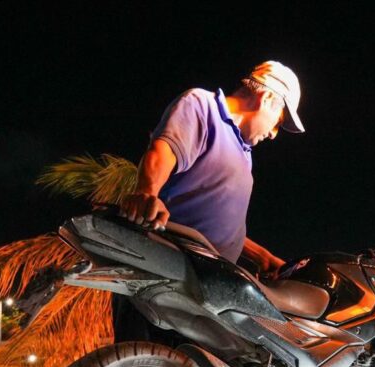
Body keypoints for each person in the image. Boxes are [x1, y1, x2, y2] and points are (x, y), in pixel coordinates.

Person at [113, 60, 305, 343]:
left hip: (207, 291)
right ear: (267, 98)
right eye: (279, 121)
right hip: (166, 276)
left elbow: (214, 221)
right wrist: (147, 192)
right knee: (144, 363)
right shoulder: (203, 106)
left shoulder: (245, 154)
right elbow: (163, 150)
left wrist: (263, 258)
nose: (274, 134)